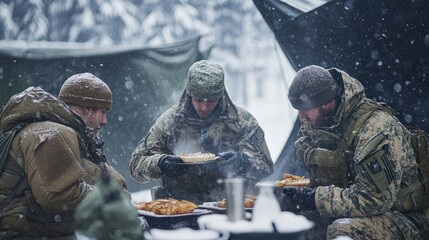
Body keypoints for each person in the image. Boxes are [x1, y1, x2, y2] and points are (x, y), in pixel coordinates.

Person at [280, 65, 429, 239]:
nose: (301, 118)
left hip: (405, 216)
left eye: (305, 110)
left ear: (327, 103)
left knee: (343, 231)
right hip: (354, 209)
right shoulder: (319, 124)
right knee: (288, 220)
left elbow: (374, 200)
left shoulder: (375, 129)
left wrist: (315, 198)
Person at [0, 73, 128, 239]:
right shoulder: (52, 132)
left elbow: (81, 173)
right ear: (87, 108)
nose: (105, 121)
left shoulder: (54, 131)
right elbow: (58, 196)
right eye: (102, 112)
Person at [129, 60, 274, 203]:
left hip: (230, 206)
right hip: (179, 209)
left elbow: (266, 167)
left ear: (221, 96)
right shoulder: (169, 123)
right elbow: (136, 165)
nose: (204, 107)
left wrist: (243, 162)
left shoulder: (241, 122)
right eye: (198, 100)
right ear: (189, 95)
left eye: (211, 101)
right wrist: (160, 163)